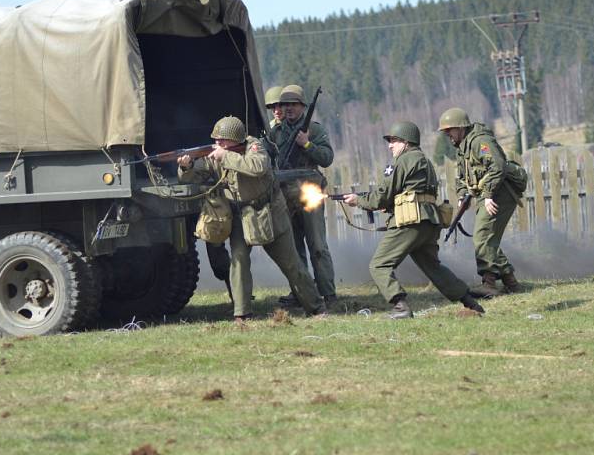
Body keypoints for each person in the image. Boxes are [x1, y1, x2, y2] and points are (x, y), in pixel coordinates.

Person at [178, 116, 326, 320]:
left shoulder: (254, 146)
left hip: (271, 212)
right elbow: (192, 176)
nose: (218, 144)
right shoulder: (217, 155)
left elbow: (257, 167)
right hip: (240, 215)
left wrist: (225, 156)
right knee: (238, 262)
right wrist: (186, 166)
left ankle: (316, 307)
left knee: (291, 263)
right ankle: (242, 313)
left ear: (236, 140)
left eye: (222, 140)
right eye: (216, 140)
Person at [343, 121, 485, 319]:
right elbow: (417, 192)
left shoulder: (401, 161)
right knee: (433, 268)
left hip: (410, 222)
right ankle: (470, 303)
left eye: (393, 141)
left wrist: (358, 200)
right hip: (429, 222)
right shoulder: (425, 162)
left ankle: (400, 307)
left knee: (379, 265)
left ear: (406, 142)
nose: (390, 145)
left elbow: (381, 196)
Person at [438, 107, 528, 297]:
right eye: (445, 131)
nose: (447, 134)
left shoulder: (480, 141)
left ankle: (489, 284)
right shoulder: (462, 147)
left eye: (450, 130)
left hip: (500, 194)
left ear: (461, 127)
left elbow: (498, 166)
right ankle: (511, 283)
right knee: (488, 238)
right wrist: (463, 194)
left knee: (482, 237)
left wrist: (487, 195)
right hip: (487, 195)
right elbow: (463, 175)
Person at [270, 84, 337, 306]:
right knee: (293, 247)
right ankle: (302, 292)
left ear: (302, 106)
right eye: (285, 104)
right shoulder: (276, 133)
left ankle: (327, 292)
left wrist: (306, 144)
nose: (288, 108)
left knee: (317, 244)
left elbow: (327, 158)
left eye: (293, 104)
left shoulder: (314, 130)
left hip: (309, 192)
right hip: (285, 194)